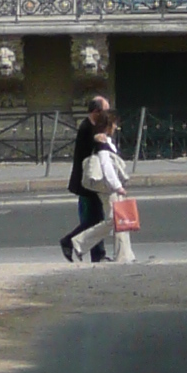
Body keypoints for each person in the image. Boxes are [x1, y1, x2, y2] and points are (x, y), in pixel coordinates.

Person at [64, 112, 135, 265]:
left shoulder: (106, 140)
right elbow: (106, 166)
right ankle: (78, 242)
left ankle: (125, 255)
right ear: (107, 125)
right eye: (114, 124)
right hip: (108, 187)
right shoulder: (101, 142)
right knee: (114, 219)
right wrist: (117, 186)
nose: (116, 127)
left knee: (119, 220)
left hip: (111, 185)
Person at [63, 95, 118, 263]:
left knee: (96, 220)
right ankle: (69, 242)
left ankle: (97, 254)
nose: (107, 114)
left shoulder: (95, 126)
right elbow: (95, 146)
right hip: (86, 182)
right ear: (96, 112)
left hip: (93, 181)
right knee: (93, 221)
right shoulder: (86, 127)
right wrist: (101, 139)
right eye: (105, 111)